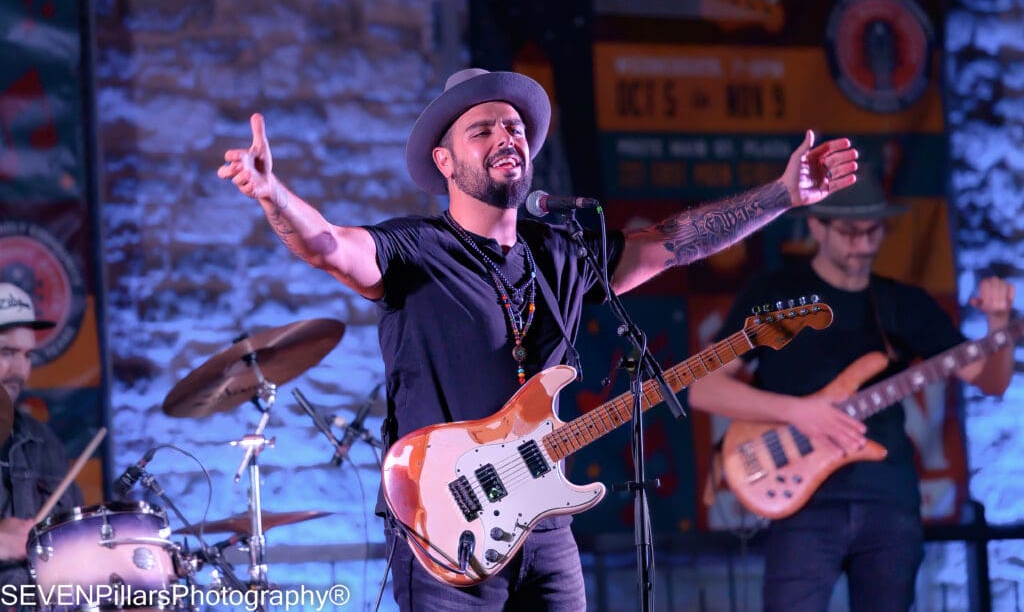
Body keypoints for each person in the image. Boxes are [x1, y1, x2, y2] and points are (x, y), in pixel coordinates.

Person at [218, 67, 859, 611]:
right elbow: (330, 246)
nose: (507, 136)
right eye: (483, 129)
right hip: (446, 531)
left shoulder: (564, 248)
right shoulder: (415, 249)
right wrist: (273, 194)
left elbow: (674, 243)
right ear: (444, 162)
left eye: (515, 127)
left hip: (546, 525)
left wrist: (781, 194)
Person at [687, 169, 1016, 612]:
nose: (863, 244)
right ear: (817, 226)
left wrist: (999, 326)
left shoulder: (902, 303)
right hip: (801, 505)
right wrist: (801, 413)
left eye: (872, 230)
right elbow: (703, 389)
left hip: (889, 500)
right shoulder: (775, 296)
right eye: (848, 232)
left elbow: (991, 382)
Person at [0, 282, 83, 603]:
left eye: (28, 355)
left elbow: (75, 543)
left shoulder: (44, 441)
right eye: (6, 353)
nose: (19, 370)